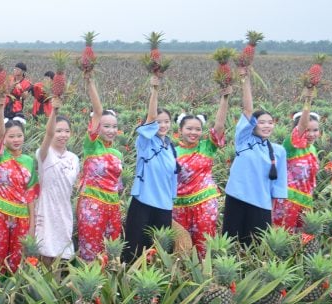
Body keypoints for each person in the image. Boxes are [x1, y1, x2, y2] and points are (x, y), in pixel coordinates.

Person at [222, 67, 287, 246]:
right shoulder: (244, 140)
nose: (267, 126)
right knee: (231, 243)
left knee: (256, 246)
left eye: (270, 122)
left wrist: (274, 209)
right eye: (262, 122)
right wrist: (245, 80)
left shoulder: (278, 151)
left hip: (262, 204)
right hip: (236, 198)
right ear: (252, 125)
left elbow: (279, 185)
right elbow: (248, 110)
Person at [122, 75, 179, 263]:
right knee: (134, 249)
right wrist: (155, 90)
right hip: (143, 202)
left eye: (166, 122)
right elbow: (151, 118)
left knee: (159, 252)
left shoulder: (171, 147)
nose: (162, 125)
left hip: (164, 206)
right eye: (159, 122)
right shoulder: (145, 142)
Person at [172, 86, 230, 256]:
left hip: (204, 202)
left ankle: (206, 276)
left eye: (197, 129)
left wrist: (224, 99)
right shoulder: (172, 151)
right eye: (189, 128)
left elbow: (219, 127)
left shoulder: (207, 147)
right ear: (180, 130)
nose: (194, 132)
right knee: (182, 247)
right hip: (179, 204)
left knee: (204, 244)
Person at [0, 104, 38, 272]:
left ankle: (14, 293)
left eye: (19, 136)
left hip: (22, 216)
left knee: (18, 258)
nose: (16, 140)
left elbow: (30, 193)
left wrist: (32, 224)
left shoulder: (29, 160)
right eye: (11, 136)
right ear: (4, 139)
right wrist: (0, 108)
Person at [76, 72, 124, 262]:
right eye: (106, 126)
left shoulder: (118, 154)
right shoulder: (92, 146)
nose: (111, 131)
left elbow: (118, 185)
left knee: (111, 252)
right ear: (97, 127)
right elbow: (98, 111)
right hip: (92, 205)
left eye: (114, 127)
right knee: (90, 251)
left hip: (113, 206)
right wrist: (90, 83)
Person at [35, 95, 79, 266]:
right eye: (59, 131)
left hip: (64, 210)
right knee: (45, 252)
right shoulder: (44, 154)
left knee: (61, 255)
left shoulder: (74, 158)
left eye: (66, 131)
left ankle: (55, 289)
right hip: (46, 208)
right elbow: (48, 133)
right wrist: (55, 110)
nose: (63, 135)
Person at [272, 87, 320, 233]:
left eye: (315, 130)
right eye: (307, 130)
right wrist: (308, 101)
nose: (311, 134)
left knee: (301, 239)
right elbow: (301, 127)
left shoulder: (313, 149)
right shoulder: (292, 145)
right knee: (284, 236)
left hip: (305, 200)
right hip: (288, 200)